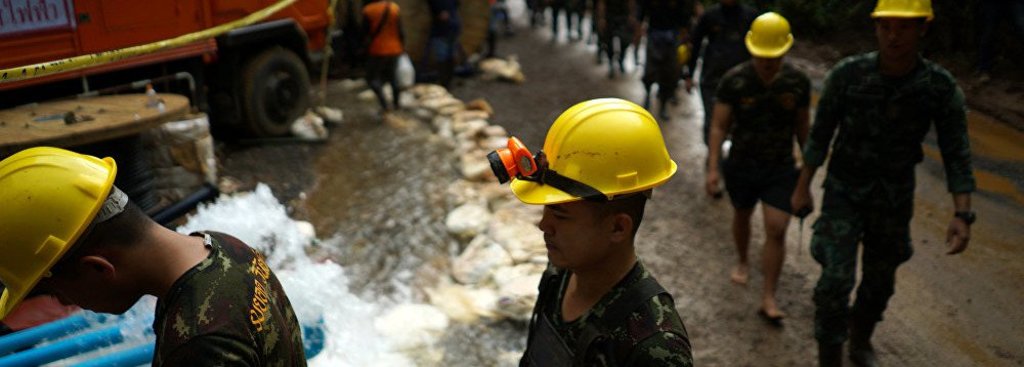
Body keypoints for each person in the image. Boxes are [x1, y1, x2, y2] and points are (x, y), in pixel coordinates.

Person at [789, 1, 976, 365]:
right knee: (834, 282)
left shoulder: (938, 86)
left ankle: (860, 340)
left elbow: (957, 152)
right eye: (886, 26)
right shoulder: (848, 75)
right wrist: (802, 187)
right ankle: (830, 355)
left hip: (893, 199)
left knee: (879, 284)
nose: (893, 36)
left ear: (923, 28)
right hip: (843, 192)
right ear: (875, 27)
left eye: (904, 27)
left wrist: (962, 213)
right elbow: (819, 137)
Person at [0, 147, 307, 366]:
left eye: (56, 292)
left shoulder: (200, 344)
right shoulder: (223, 247)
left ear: (98, 268)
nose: (66, 304)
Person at [487, 98, 693, 366]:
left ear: (618, 227)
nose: (543, 225)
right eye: (546, 210)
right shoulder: (562, 270)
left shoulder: (654, 346)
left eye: (560, 215)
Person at [705, 12, 809, 326]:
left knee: (777, 228)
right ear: (752, 50)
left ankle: (769, 297)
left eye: (774, 56)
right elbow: (719, 127)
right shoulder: (735, 80)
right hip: (740, 165)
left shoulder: (797, 82)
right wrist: (713, 169)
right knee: (742, 215)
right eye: (763, 55)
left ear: (784, 51)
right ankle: (742, 259)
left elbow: (804, 128)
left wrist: (808, 174)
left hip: (780, 167)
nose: (768, 62)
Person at [685, 0, 757, 147]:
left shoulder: (751, 17)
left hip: (742, 82)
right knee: (712, 122)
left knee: (741, 124)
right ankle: (713, 159)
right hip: (712, 80)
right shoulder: (710, 16)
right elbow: (695, 45)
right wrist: (688, 75)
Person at [637, 0, 697, 120]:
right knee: (650, 71)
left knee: (668, 74)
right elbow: (642, 14)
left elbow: (684, 17)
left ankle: (663, 106)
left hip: (672, 38)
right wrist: (638, 32)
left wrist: (685, 37)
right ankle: (647, 95)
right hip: (654, 35)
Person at [362, 0, 405, 115]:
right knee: (392, 76)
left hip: (377, 49)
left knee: (372, 78)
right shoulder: (394, 7)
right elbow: (400, 30)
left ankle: (384, 105)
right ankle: (396, 104)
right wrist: (402, 46)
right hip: (395, 48)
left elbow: (365, 32)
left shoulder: (368, 10)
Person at [597, 0, 637, 78]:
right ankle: (611, 64)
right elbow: (602, 3)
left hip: (623, 17)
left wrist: (632, 15)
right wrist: (601, 18)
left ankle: (621, 60)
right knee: (609, 44)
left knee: (625, 42)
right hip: (610, 17)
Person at [428, 0, 462, 89]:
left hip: (443, 29)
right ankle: (447, 81)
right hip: (450, 27)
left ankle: (446, 82)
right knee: (447, 56)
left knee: (444, 57)